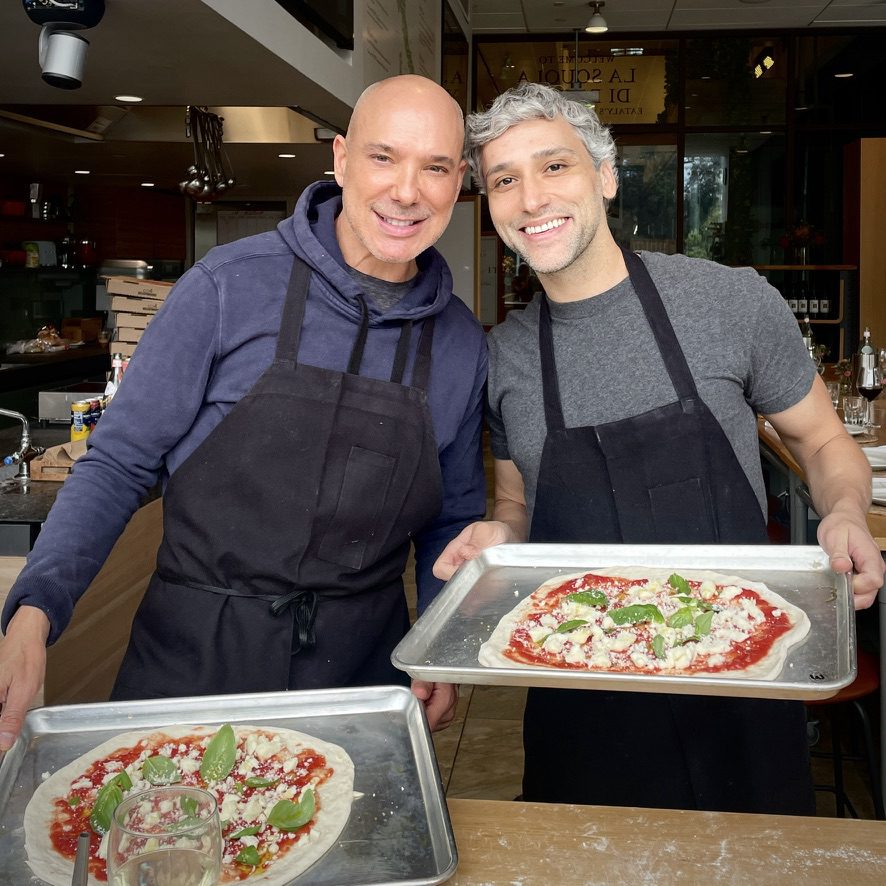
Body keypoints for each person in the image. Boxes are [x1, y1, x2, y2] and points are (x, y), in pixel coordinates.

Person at [435, 82, 884, 815]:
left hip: (742, 668)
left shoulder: (728, 302)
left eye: (555, 166)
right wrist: (500, 535)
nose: (531, 198)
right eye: (504, 181)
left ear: (606, 177)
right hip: (583, 693)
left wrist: (844, 512)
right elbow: (516, 502)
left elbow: (825, 439)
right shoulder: (506, 356)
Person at [0, 74, 487, 750]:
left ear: (458, 182)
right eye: (384, 157)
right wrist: (33, 610)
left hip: (361, 679)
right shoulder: (225, 286)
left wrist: (438, 645)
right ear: (341, 158)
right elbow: (117, 463)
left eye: (434, 167)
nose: (407, 191)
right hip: (191, 661)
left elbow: (451, 521)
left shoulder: (462, 342)